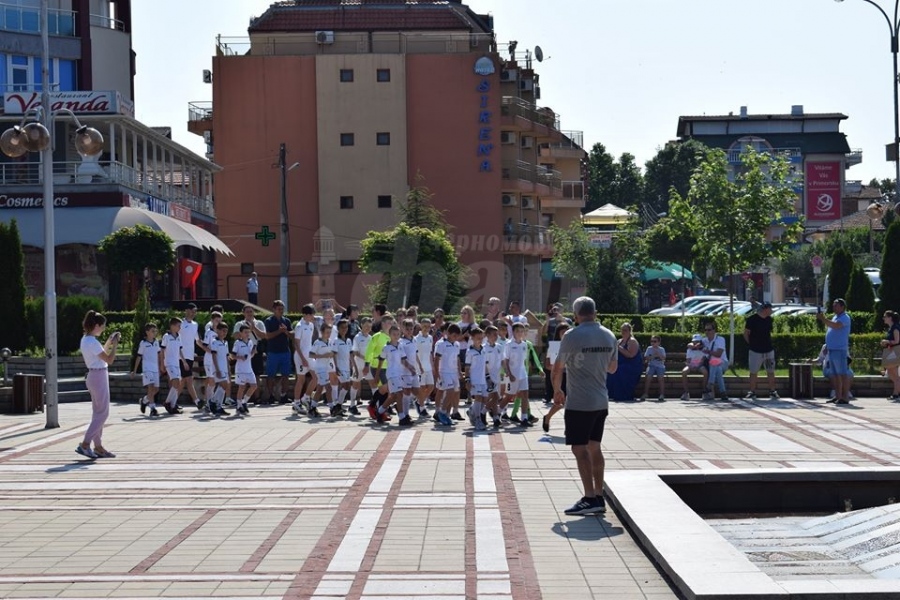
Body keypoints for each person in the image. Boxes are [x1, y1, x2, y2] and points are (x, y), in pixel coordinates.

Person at [552, 297, 617, 516]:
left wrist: (557, 390)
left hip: (579, 402)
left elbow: (558, 366)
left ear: (576, 314)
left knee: (579, 448)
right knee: (594, 447)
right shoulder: (609, 335)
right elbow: (613, 368)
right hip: (601, 400)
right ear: (595, 312)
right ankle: (598, 494)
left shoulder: (572, 335)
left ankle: (589, 497)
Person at [77, 310, 120, 459]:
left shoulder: (86, 339)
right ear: (96, 325)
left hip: (94, 375)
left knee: (98, 413)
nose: (103, 329)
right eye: (102, 326)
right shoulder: (92, 342)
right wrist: (115, 346)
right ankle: (85, 444)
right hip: (99, 375)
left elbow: (101, 354)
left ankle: (98, 446)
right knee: (103, 413)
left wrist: (108, 341)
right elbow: (109, 359)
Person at [817, 299, 852, 405]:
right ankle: (837, 396)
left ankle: (845, 397)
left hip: (840, 350)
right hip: (832, 349)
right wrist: (828, 345)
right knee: (835, 374)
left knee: (842, 374)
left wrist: (823, 319)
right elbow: (832, 330)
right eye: (833, 305)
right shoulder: (835, 317)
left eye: (836, 306)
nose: (834, 307)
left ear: (842, 307)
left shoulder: (845, 318)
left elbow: (836, 326)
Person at [744, 301, 778, 400]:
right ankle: (752, 391)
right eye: (770, 309)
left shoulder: (769, 320)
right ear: (765, 309)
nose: (771, 311)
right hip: (755, 350)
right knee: (753, 371)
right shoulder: (752, 319)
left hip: (768, 350)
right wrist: (751, 344)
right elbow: (746, 333)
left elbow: (769, 332)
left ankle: (772, 391)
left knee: (770, 371)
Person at [233, 306, 267, 403]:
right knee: (243, 379)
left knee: (256, 375)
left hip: (255, 351)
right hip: (243, 352)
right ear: (243, 313)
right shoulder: (239, 324)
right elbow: (235, 336)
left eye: (251, 311)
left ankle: (256, 397)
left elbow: (264, 336)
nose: (249, 313)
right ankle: (241, 401)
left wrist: (254, 328)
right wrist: (245, 332)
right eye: (247, 312)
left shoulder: (259, 323)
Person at [543, 322, 570, 432]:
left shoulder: (572, 345)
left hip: (570, 376)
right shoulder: (554, 347)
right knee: (560, 402)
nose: (564, 334)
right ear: (558, 334)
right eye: (562, 332)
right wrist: (558, 367)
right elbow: (548, 365)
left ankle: (567, 427)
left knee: (568, 403)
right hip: (559, 377)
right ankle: (548, 417)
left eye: (566, 332)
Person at [263, 300, 293, 403]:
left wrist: (286, 332)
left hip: (285, 351)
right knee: (271, 375)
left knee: (286, 375)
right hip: (273, 352)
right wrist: (279, 331)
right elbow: (267, 336)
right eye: (279, 309)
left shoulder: (287, 321)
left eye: (282, 309)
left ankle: (283, 395)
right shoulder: (269, 321)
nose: (281, 311)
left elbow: (292, 335)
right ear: (274, 309)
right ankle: (271, 396)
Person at [292, 304, 319, 414]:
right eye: (311, 314)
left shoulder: (311, 325)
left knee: (316, 377)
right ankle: (296, 403)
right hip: (300, 357)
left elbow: (308, 343)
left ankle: (305, 398)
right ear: (305, 315)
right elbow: (297, 345)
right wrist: (303, 359)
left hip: (309, 356)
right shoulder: (299, 326)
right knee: (301, 380)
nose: (313, 316)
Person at [607, 323, 642, 402]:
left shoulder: (632, 341)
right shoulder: (619, 341)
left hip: (632, 366)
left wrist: (618, 347)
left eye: (625, 330)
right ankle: (611, 394)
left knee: (619, 370)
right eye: (622, 330)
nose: (623, 332)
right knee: (610, 369)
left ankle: (623, 395)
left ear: (630, 331)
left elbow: (630, 355)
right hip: (621, 364)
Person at [132, 323, 161, 417]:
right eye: (152, 331)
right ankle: (153, 408)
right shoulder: (143, 343)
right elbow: (139, 357)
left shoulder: (156, 342)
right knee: (151, 387)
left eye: (155, 331)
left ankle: (144, 401)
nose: (154, 333)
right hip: (147, 369)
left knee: (156, 389)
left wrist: (161, 366)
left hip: (155, 368)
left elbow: (159, 354)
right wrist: (135, 370)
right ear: (147, 332)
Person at [161, 317, 189, 414]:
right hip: (169, 363)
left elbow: (180, 350)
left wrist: (184, 361)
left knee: (178, 383)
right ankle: (168, 402)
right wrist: (162, 363)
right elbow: (162, 350)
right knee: (176, 381)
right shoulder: (166, 336)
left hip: (176, 363)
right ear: (172, 326)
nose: (179, 328)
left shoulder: (179, 336)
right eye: (178, 326)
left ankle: (172, 405)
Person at [179, 303, 203, 410]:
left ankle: (171, 401)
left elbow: (197, 340)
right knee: (187, 379)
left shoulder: (195, 324)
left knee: (185, 380)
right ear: (187, 310)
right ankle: (197, 401)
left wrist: (208, 349)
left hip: (190, 356)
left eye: (195, 311)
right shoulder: (180, 323)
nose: (194, 313)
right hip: (181, 356)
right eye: (193, 311)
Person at [232, 324, 257, 415]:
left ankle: (244, 401)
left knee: (254, 386)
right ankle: (239, 406)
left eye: (248, 332)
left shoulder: (250, 342)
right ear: (241, 333)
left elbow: (251, 355)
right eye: (245, 332)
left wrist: (253, 352)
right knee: (241, 387)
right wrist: (240, 357)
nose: (247, 334)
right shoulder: (237, 343)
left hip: (249, 368)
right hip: (240, 369)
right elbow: (232, 355)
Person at [209, 322, 232, 416]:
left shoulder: (225, 343)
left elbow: (226, 357)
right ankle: (213, 400)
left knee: (224, 386)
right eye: (223, 331)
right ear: (218, 330)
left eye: (226, 331)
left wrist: (229, 369)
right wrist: (217, 369)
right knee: (224, 384)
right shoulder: (214, 342)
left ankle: (219, 406)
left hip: (224, 368)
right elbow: (214, 356)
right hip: (217, 367)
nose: (224, 333)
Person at [701, 322, 729, 401]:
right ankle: (723, 393)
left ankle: (710, 384)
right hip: (713, 365)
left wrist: (708, 351)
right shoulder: (704, 340)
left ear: (714, 330)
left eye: (709, 330)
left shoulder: (720, 339)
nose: (707, 332)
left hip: (723, 362)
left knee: (715, 362)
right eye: (705, 330)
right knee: (718, 369)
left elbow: (718, 354)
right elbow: (693, 344)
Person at [681, 334, 708, 400]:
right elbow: (688, 361)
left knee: (705, 372)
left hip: (700, 366)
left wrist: (698, 366)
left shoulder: (704, 349)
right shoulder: (689, 350)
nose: (695, 343)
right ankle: (686, 392)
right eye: (694, 342)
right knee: (684, 372)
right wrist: (691, 366)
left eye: (697, 341)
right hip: (691, 366)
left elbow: (703, 360)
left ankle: (704, 391)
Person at [640, 335, 666, 403]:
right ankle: (645, 393)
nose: (653, 343)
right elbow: (646, 358)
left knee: (661, 378)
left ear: (659, 342)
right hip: (651, 365)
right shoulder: (649, 348)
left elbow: (663, 358)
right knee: (648, 377)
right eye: (651, 341)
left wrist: (658, 354)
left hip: (660, 366)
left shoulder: (661, 349)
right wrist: (653, 356)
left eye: (655, 341)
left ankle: (662, 394)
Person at [881, 310, 900, 401]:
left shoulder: (895, 327)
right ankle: (897, 391)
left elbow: (897, 341)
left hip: (895, 352)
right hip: (891, 352)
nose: (883, 318)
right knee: (890, 372)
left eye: (885, 316)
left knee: (895, 374)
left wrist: (887, 341)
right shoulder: (891, 328)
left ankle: (896, 394)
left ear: (890, 318)